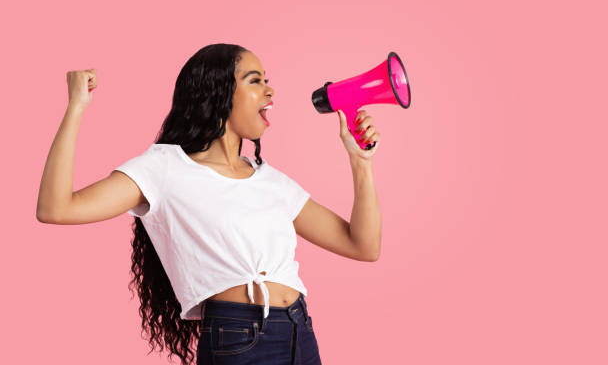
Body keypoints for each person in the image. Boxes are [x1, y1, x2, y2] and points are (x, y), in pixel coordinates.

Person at [36, 43, 382, 365]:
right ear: (219, 92)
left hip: (299, 330)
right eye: (255, 80)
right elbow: (57, 208)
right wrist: (76, 106)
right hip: (239, 337)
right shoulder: (164, 168)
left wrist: (360, 164)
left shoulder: (271, 180)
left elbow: (363, 245)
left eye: (268, 81)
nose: (270, 91)